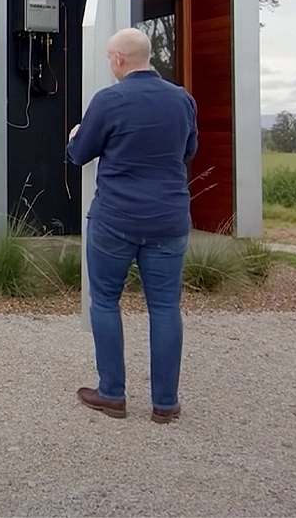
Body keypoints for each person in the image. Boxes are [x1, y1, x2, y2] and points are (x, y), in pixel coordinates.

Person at [65, 27, 198, 423]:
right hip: (169, 220)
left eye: (110, 58)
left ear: (119, 60)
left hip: (115, 220)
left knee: (105, 301)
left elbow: (79, 153)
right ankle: (165, 403)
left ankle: (112, 394)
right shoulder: (182, 100)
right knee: (165, 308)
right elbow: (188, 150)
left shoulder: (109, 100)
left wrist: (75, 135)